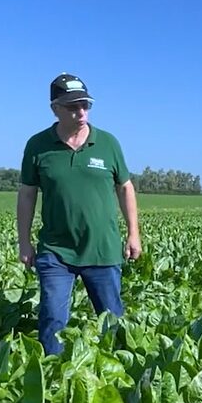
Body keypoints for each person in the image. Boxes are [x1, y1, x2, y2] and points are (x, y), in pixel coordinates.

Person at [17, 72, 142, 355]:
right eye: (73, 107)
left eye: (85, 105)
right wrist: (24, 241)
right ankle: (53, 379)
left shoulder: (108, 143)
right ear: (55, 109)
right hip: (56, 250)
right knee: (52, 319)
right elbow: (27, 194)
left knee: (111, 320)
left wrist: (133, 234)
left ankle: (115, 374)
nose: (81, 112)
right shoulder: (38, 146)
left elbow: (125, 188)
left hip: (102, 249)